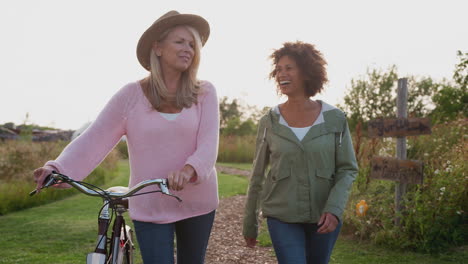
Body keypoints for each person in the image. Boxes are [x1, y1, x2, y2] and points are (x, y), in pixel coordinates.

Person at [33, 10, 219, 264]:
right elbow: (95, 138)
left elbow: (209, 144)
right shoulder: (130, 95)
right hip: (149, 202)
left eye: (192, 44)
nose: (188, 49)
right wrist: (57, 168)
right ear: (158, 47)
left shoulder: (205, 92)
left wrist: (188, 170)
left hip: (198, 201)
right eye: (179, 42)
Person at [243, 41, 358, 264]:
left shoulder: (335, 118)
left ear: (306, 72)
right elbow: (257, 175)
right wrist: (250, 222)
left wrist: (334, 209)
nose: (281, 74)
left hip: (324, 217)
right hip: (281, 216)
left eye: (289, 68)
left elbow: (347, 169)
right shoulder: (269, 121)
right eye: (278, 69)